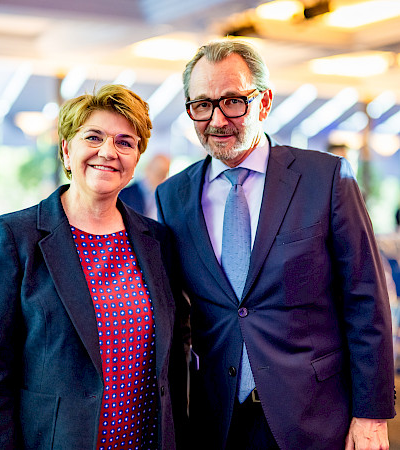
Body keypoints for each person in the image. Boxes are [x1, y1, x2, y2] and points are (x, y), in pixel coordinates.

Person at [155, 39, 395, 449]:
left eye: (233, 101)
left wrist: (370, 415)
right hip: (218, 422)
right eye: (202, 104)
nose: (217, 119)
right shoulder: (173, 197)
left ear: (263, 103)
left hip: (316, 418)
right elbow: (176, 316)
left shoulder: (326, 177)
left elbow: (365, 299)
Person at [0, 84, 186, 449]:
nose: (108, 152)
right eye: (94, 137)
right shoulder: (13, 237)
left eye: (124, 142)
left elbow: (173, 363)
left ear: (136, 159)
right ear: (67, 150)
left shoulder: (158, 241)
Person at [119, 153, 170, 219]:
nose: (159, 177)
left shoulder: (165, 198)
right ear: (147, 168)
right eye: (157, 171)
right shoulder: (124, 194)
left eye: (162, 174)